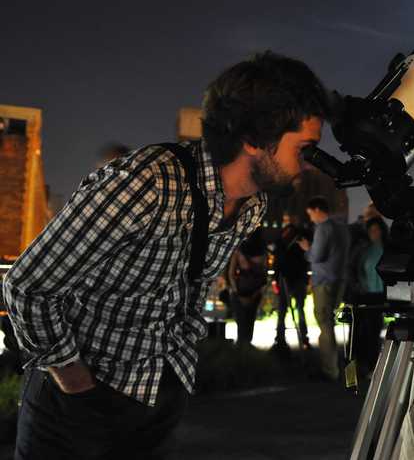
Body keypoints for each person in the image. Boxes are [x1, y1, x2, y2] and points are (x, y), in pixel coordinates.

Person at [3, 51, 328, 459]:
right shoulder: (148, 183)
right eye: (305, 146)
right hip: (78, 405)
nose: (311, 161)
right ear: (254, 138)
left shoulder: (252, 205)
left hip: (157, 401)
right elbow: (27, 286)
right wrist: (75, 382)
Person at [298, 196, 350, 381]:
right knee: (329, 322)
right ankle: (333, 366)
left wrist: (306, 249)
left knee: (325, 323)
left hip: (324, 281)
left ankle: (329, 369)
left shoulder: (323, 228)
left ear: (318, 210)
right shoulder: (342, 228)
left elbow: (317, 255)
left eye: (310, 213)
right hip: (339, 279)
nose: (310, 218)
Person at [351, 217, 389, 377]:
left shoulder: (386, 248)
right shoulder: (364, 249)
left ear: (381, 231)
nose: (373, 233)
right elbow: (356, 269)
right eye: (371, 230)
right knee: (361, 332)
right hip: (364, 295)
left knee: (374, 332)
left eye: (376, 230)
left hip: (379, 295)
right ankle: (361, 365)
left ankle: (373, 365)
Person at [228, 228, 268, 348]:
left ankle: (241, 346)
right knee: (251, 318)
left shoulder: (239, 251)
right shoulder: (262, 252)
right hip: (255, 291)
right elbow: (264, 275)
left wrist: (236, 291)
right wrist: (257, 292)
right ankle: (247, 345)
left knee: (241, 320)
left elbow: (231, 273)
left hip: (240, 290)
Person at [273, 223, 310, 350]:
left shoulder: (295, 243)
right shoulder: (281, 244)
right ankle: (281, 338)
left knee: (298, 310)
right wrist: (276, 281)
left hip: (296, 279)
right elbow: (277, 264)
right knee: (283, 311)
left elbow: (304, 262)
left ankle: (303, 338)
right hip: (285, 279)